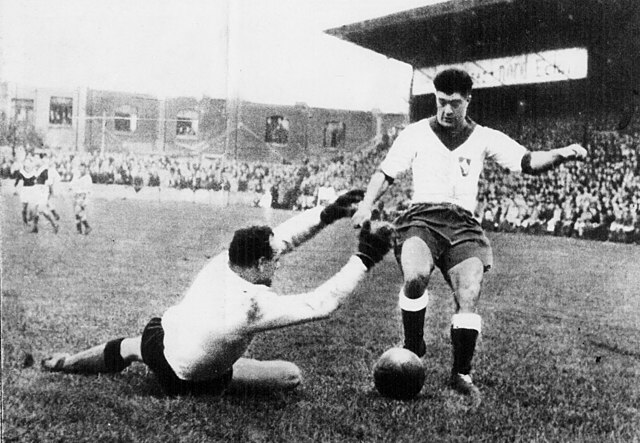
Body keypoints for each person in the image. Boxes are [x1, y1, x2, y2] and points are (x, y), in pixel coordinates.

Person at [352, 68, 587, 406]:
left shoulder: (484, 137)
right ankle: (414, 345)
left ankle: (461, 373)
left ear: (468, 101)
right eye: (441, 102)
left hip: (464, 225)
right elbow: (385, 172)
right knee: (415, 276)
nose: (447, 110)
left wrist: (561, 153)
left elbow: (527, 161)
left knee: (469, 292)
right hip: (422, 217)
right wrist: (366, 206)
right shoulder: (416, 133)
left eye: (454, 103)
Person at [42, 191, 396, 396]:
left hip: (158, 339)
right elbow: (321, 303)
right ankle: (224, 367)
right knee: (290, 375)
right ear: (259, 263)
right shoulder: (253, 304)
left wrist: (328, 213)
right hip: (190, 381)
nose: (278, 265)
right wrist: (365, 257)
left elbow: (282, 237)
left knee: (127, 347)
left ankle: (65, 362)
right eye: (272, 262)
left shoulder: (223, 261)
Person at [69, 163, 93, 235]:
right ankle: (80, 230)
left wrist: (86, 200)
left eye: (82, 169)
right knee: (79, 213)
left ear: (85, 169)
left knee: (78, 211)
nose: (81, 170)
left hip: (82, 196)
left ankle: (86, 227)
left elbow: (89, 190)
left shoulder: (87, 178)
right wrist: (70, 188)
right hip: (76, 196)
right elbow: (72, 184)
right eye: (80, 168)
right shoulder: (76, 176)